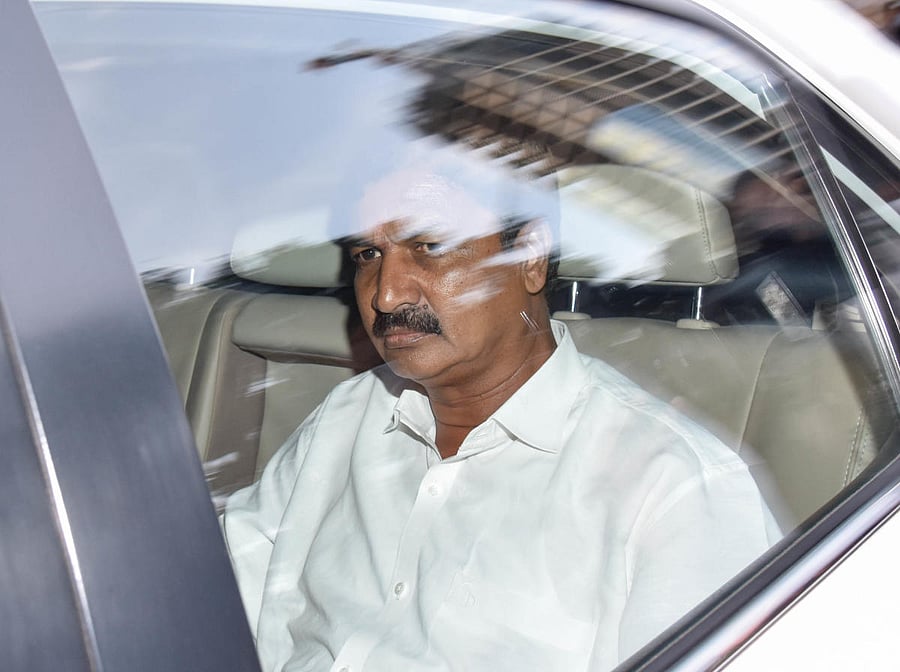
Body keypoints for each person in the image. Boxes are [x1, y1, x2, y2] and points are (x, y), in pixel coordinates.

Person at [222, 140, 781, 672]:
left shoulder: (671, 488)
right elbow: (220, 597)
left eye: (430, 246)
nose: (386, 295)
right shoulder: (347, 417)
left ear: (530, 257)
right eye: (369, 255)